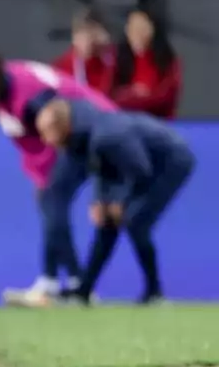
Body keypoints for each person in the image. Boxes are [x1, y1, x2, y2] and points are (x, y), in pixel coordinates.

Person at [0, 51, 116, 308]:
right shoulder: (5, 92)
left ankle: (77, 286)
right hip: (82, 132)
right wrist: (40, 176)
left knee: (52, 198)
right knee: (50, 200)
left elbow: (57, 127)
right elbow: (30, 143)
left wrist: (45, 178)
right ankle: (53, 282)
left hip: (97, 129)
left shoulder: (30, 97)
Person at [35, 98, 193, 304]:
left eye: (45, 132)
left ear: (60, 127)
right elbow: (101, 168)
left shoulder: (107, 135)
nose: (44, 140)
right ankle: (83, 292)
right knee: (107, 223)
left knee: (136, 222)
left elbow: (141, 170)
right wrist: (100, 201)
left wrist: (122, 200)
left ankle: (155, 292)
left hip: (171, 161)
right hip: (138, 164)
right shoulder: (79, 137)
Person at [110, 7, 181, 120]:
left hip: (160, 123)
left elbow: (165, 98)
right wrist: (132, 93)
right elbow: (107, 96)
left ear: (153, 29)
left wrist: (138, 97)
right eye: (132, 27)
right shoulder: (116, 58)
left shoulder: (167, 60)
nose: (136, 33)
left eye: (142, 27)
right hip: (124, 124)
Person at [52, 9, 115, 93]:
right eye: (83, 34)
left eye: (93, 35)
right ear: (74, 38)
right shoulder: (60, 69)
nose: (89, 41)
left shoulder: (115, 62)